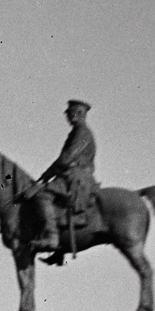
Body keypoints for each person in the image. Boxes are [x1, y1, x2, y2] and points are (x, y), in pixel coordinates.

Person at [32, 99, 97, 263]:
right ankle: (60, 248)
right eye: (68, 113)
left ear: (80, 114)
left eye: (71, 113)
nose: (68, 116)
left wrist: (47, 174)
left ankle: (52, 238)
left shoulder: (82, 132)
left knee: (42, 195)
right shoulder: (77, 132)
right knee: (57, 203)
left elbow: (66, 158)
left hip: (76, 175)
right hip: (73, 173)